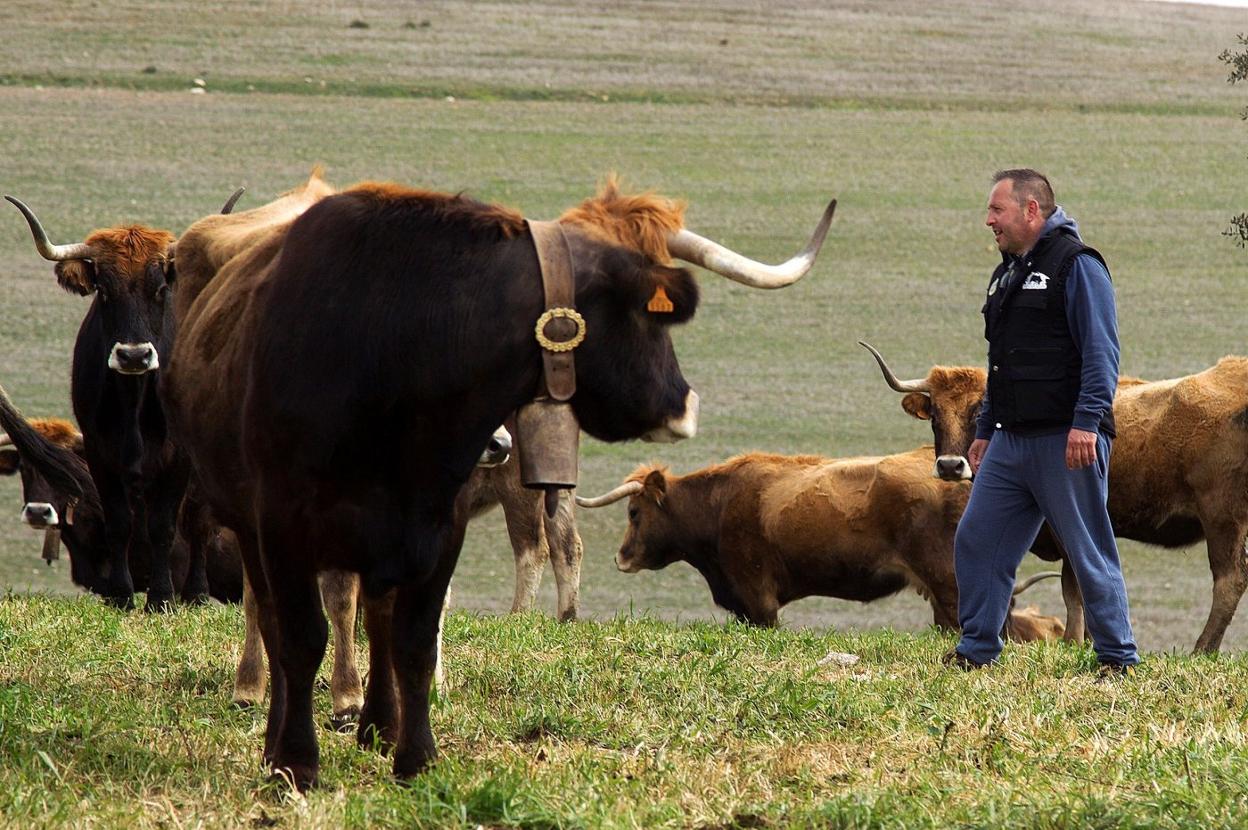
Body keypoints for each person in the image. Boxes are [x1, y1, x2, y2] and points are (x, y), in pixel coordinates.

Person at [945, 168, 1139, 676]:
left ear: (1032, 210)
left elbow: (1102, 354)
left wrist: (1086, 423)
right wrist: (985, 431)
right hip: (1010, 443)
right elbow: (999, 364)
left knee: (1086, 547)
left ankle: (1117, 657)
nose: (988, 220)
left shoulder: (1079, 265)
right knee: (976, 538)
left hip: (1065, 439)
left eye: (997, 210)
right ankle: (978, 648)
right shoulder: (1006, 272)